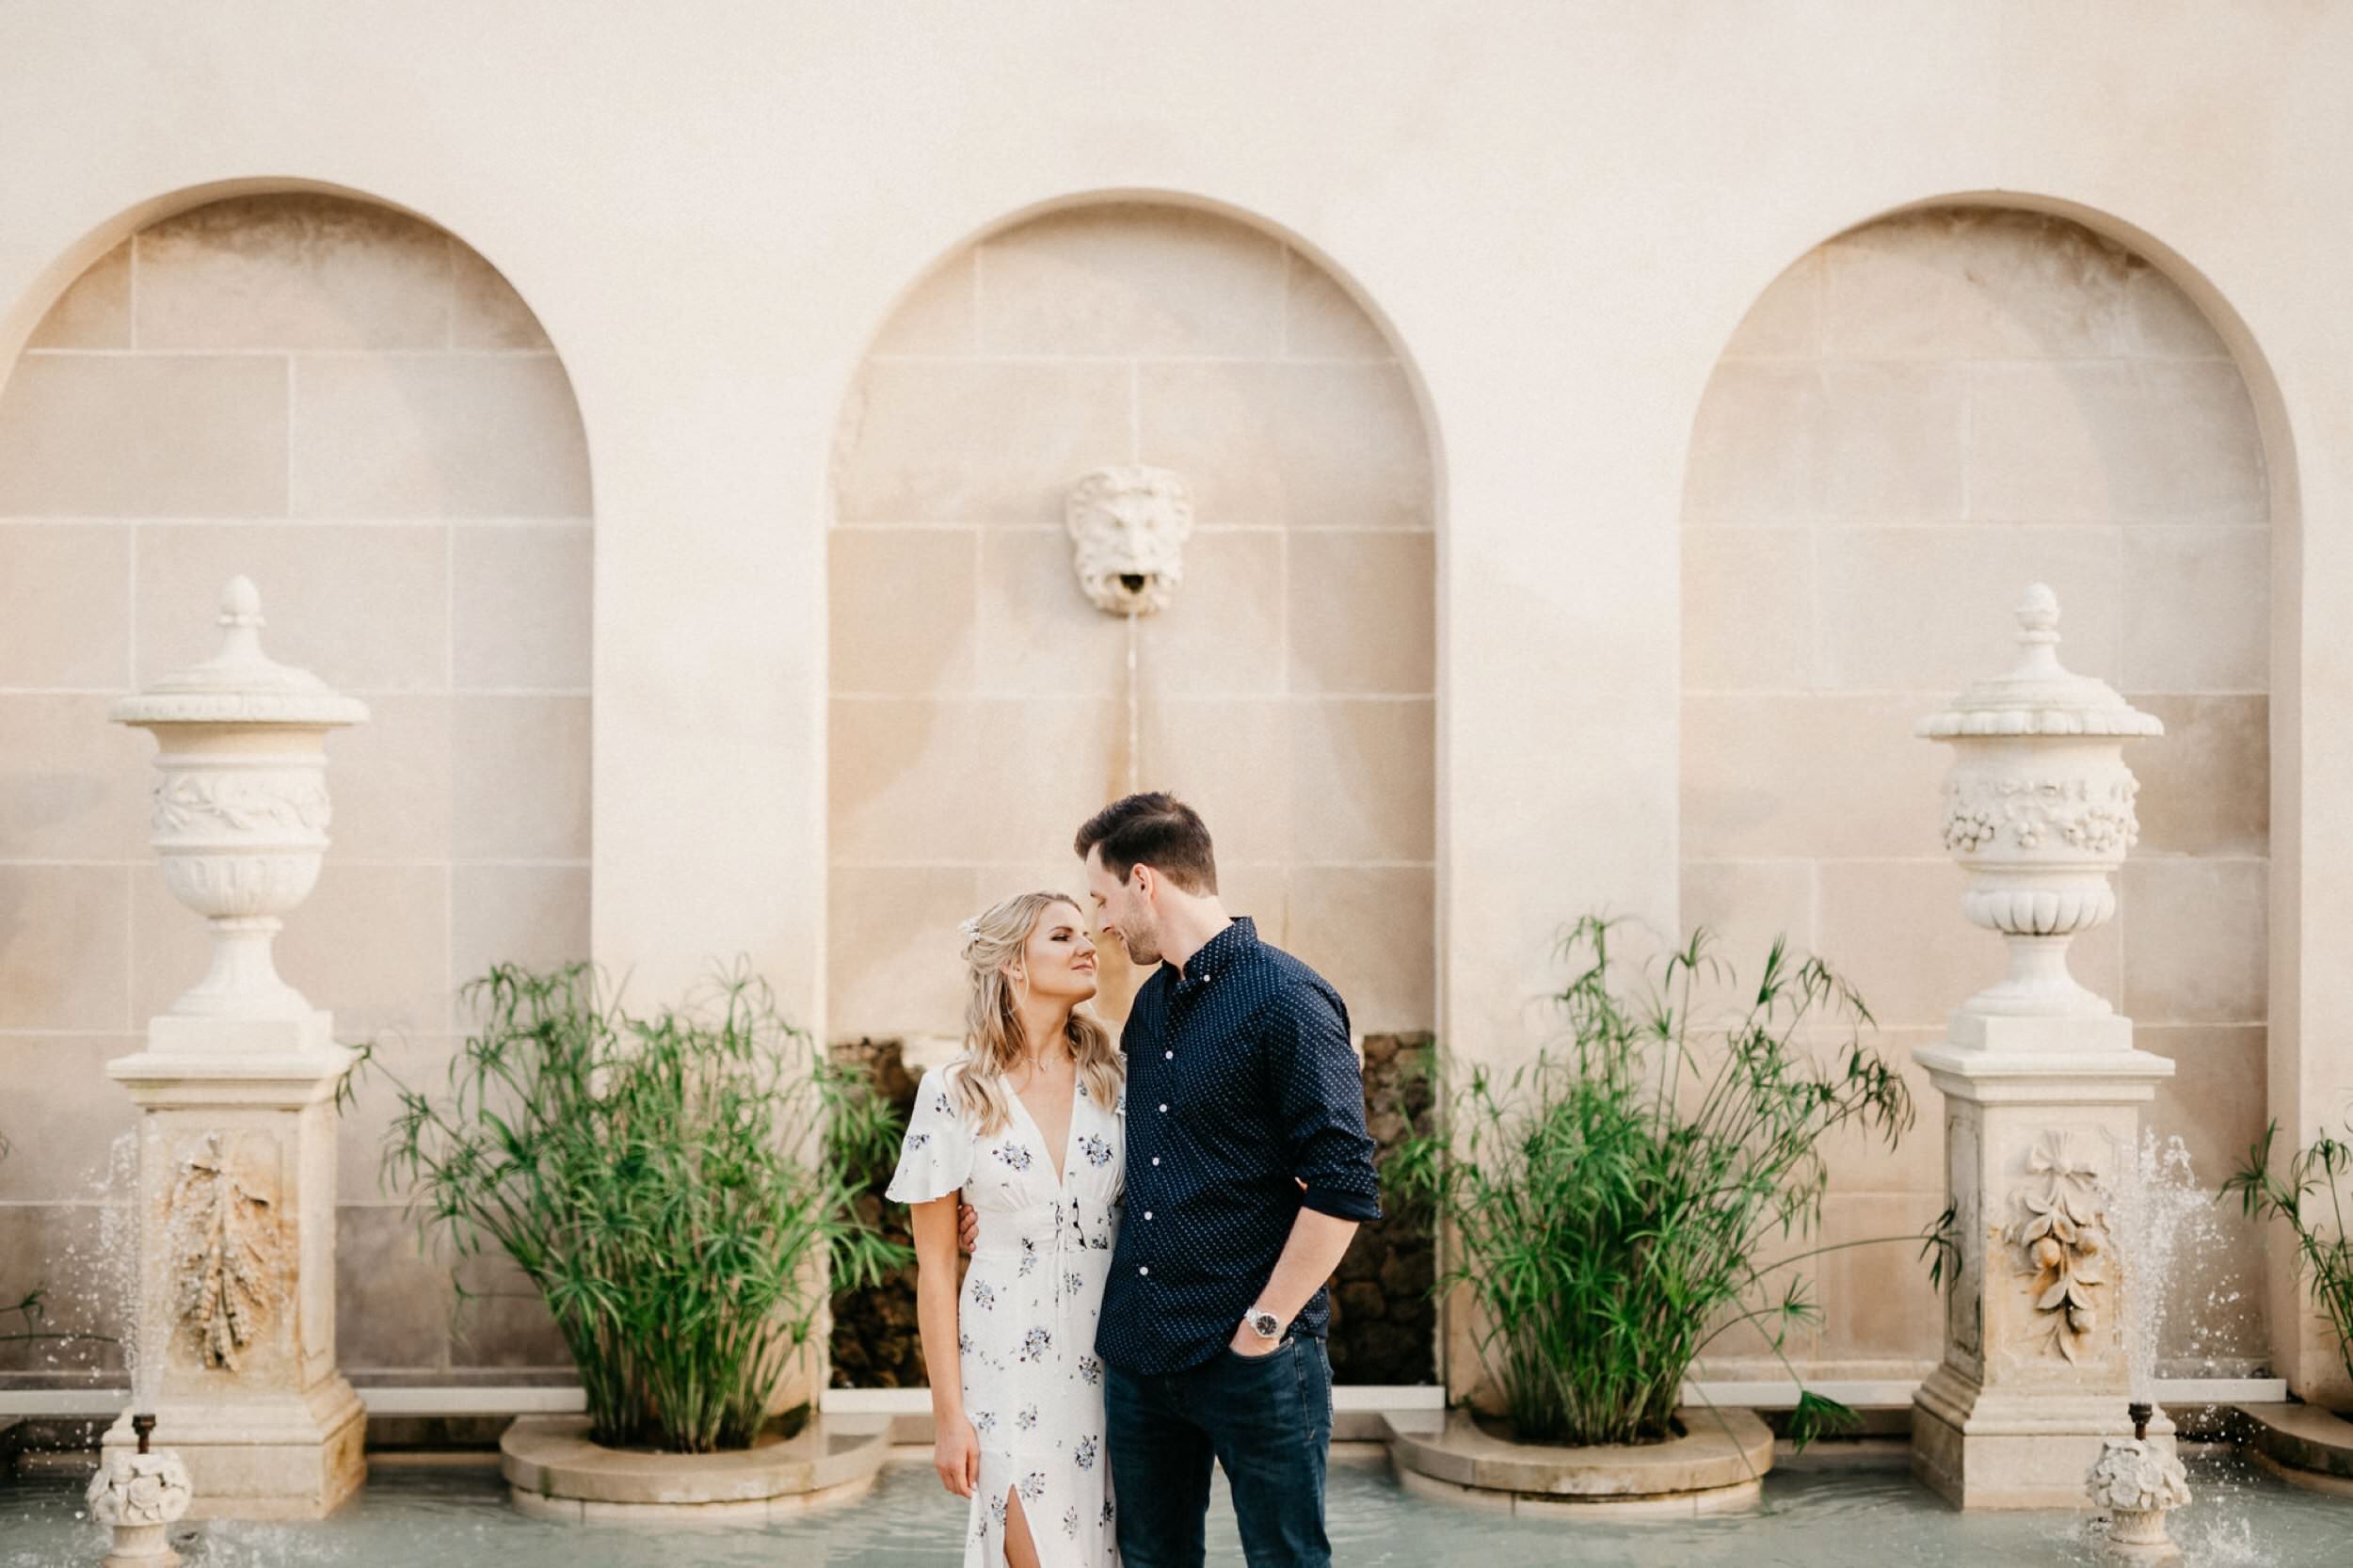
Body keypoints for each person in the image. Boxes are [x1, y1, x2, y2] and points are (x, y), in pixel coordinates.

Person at [961, 792, 1382, 1568]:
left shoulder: (1289, 999)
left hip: (1253, 1360)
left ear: (1144, 882)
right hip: (1142, 1362)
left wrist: (1264, 1327)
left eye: (1102, 898)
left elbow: (1344, 1184)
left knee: (1286, 1559)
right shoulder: (1149, 1011)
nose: (1103, 924)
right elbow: (1125, 1168)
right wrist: (1002, 1209)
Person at [887, 889, 1126, 1568]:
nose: (1087, 946)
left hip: (1113, 1366)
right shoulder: (953, 1091)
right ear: (1013, 965)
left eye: (1086, 933)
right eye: (1061, 936)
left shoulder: (1120, 1084)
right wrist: (947, 1416)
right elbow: (935, 1271)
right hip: (1005, 1364)